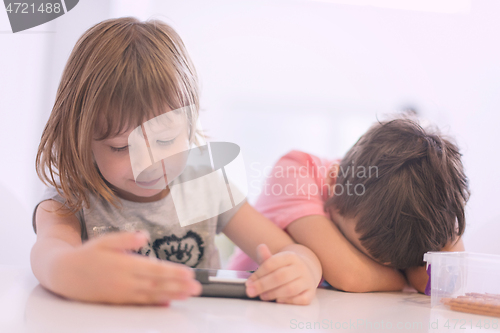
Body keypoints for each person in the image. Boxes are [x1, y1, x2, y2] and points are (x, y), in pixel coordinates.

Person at [31, 17, 322, 306]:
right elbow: (48, 254)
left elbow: (292, 251)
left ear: (190, 123)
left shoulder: (206, 186)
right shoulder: (69, 201)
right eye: (121, 148)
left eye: (166, 141)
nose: (148, 164)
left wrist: (301, 269)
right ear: (81, 138)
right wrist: (72, 272)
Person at [229, 117, 469, 293]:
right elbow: (350, 275)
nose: (393, 269)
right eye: (370, 257)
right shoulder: (294, 172)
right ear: (334, 183)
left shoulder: (400, 219)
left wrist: (445, 222)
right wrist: (402, 278)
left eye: (398, 265)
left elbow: (435, 285)